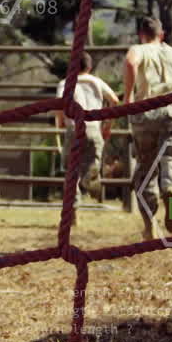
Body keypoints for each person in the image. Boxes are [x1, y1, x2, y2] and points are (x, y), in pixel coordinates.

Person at [123, 16, 172, 240]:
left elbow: (130, 62)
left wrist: (128, 98)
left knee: (146, 169)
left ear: (141, 35)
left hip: (145, 113)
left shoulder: (139, 49)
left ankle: (150, 226)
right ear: (162, 34)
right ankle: (171, 189)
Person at [54, 51, 120, 222]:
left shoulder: (65, 83)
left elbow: (60, 104)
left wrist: (60, 122)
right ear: (89, 67)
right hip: (93, 128)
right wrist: (107, 125)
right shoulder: (96, 81)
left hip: (74, 128)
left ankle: (73, 209)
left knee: (71, 172)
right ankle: (89, 177)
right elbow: (114, 100)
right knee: (93, 162)